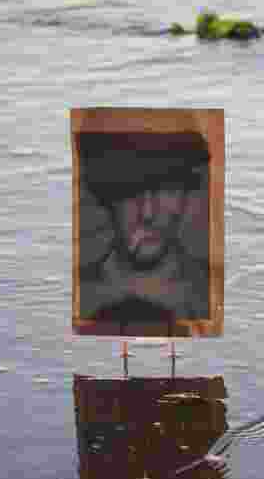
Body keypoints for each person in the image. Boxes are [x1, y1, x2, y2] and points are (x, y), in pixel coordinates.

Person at [78, 131, 210, 331]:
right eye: (131, 190)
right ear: (108, 198)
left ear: (185, 194)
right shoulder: (74, 296)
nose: (148, 214)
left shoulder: (214, 293)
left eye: (166, 187)